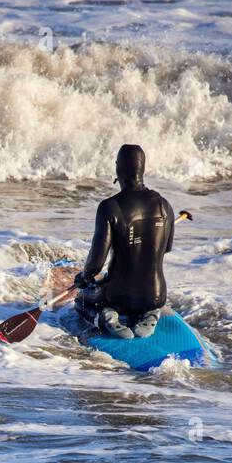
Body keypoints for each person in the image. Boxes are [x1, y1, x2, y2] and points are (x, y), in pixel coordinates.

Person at [74, 144, 174, 339]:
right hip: (156, 294)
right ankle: (151, 313)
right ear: (142, 169)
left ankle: (105, 318)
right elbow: (166, 248)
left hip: (117, 296)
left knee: (80, 301)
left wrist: (85, 277)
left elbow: (95, 264)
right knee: (146, 298)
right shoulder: (164, 205)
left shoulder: (109, 207)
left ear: (118, 168)